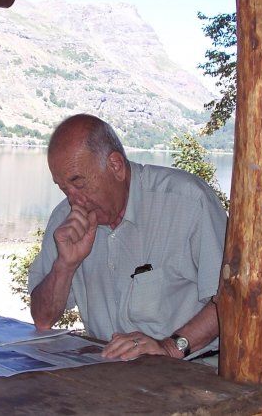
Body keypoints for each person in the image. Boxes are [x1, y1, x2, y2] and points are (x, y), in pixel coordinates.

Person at [28, 114, 227, 362]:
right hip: (110, 373)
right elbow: (42, 318)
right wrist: (64, 266)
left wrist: (168, 348)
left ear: (115, 166)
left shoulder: (187, 201)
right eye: (63, 188)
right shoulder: (65, 221)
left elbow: (231, 301)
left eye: (79, 184)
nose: (73, 199)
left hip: (191, 367)